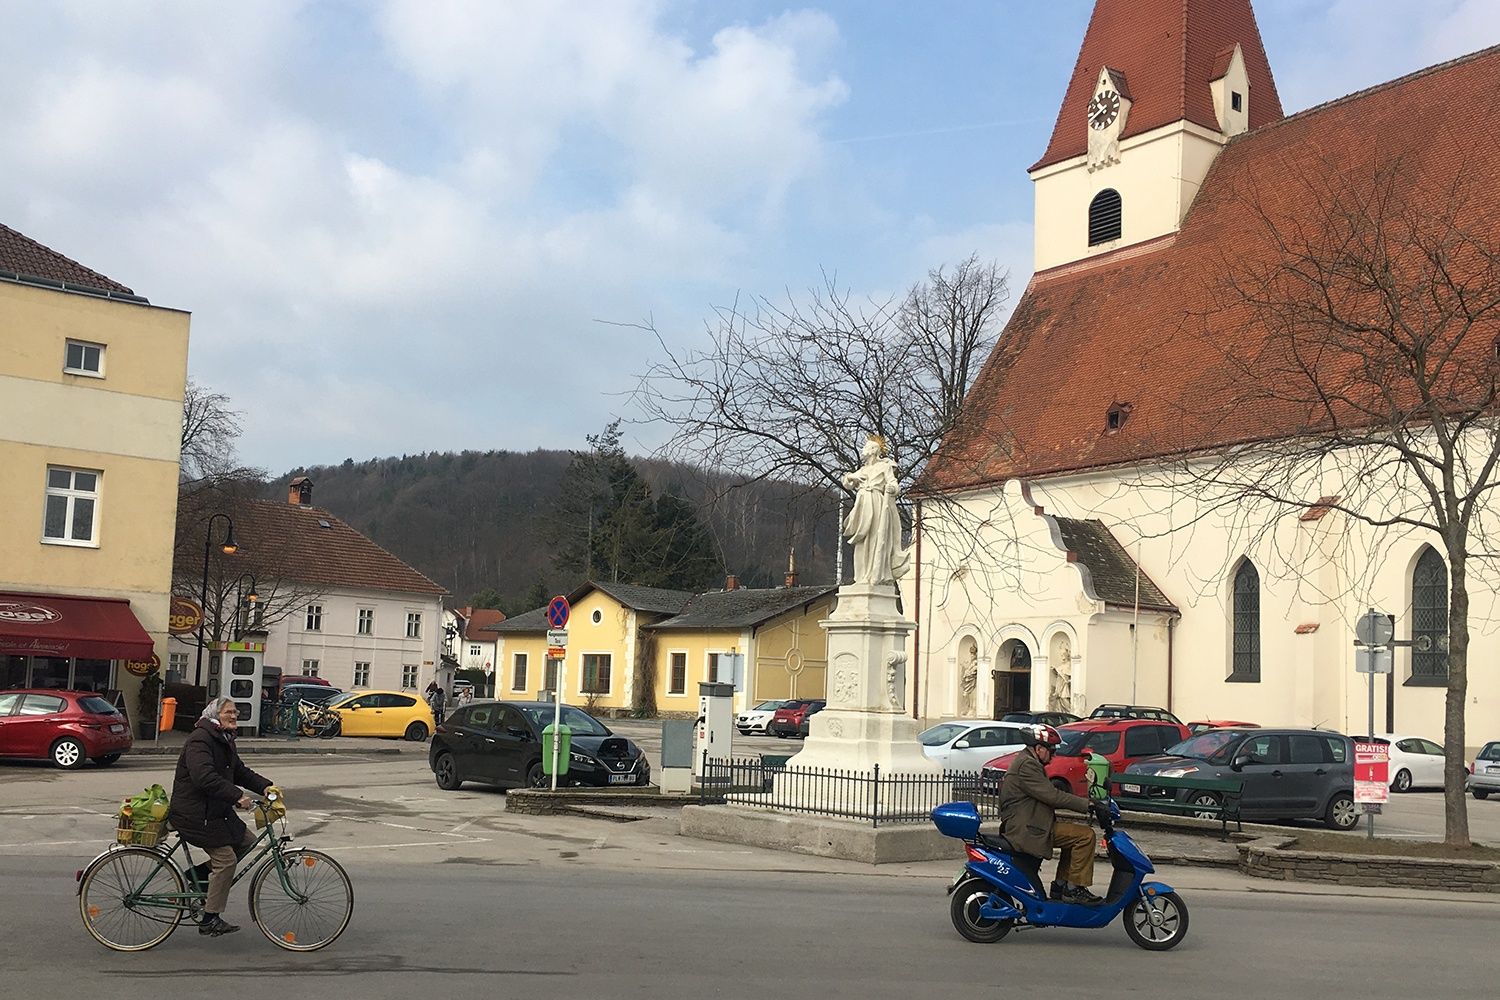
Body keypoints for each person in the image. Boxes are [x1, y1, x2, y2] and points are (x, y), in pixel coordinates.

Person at [168, 697, 273, 936]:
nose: (234, 716)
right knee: (226, 861)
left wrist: (265, 786)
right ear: (215, 715)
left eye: (235, 712)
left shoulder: (224, 739)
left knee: (247, 841)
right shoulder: (200, 739)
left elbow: (239, 771)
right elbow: (203, 777)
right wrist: (237, 796)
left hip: (214, 812)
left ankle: (195, 876)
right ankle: (210, 919)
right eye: (228, 712)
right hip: (194, 814)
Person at [997, 724, 1108, 905]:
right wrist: (1088, 804)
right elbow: (1052, 796)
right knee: (1086, 836)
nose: (1053, 755)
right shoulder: (1027, 765)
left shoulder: (1027, 761)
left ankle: (1061, 885)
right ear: (1039, 749)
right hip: (1027, 829)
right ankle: (1074, 889)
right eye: (1051, 750)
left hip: (1031, 823)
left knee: (1074, 837)